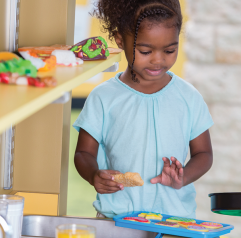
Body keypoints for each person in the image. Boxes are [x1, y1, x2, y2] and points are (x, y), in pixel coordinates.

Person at [73, 0, 214, 218]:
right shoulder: (103, 97)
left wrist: (182, 178)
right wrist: (94, 175)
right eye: (145, 51)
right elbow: (83, 152)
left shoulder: (189, 97)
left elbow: (203, 153)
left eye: (169, 50)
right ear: (121, 40)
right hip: (117, 219)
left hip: (174, 221)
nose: (158, 60)